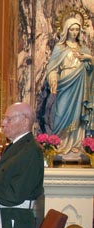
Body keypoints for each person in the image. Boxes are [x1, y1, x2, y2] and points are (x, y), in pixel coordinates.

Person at [38, 17, 94, 155]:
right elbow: (52, 68)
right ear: (66, 30)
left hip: (80, 85)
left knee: (78, 115)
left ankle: (77, 144)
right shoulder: (60, 48)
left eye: (77, 30)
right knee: (61, 112)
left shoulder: (83, 48)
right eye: (72, 29)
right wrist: (53, 80)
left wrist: (89, 58)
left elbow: (90, 69)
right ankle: (60, 143)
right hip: (65, 83)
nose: (74, 32)